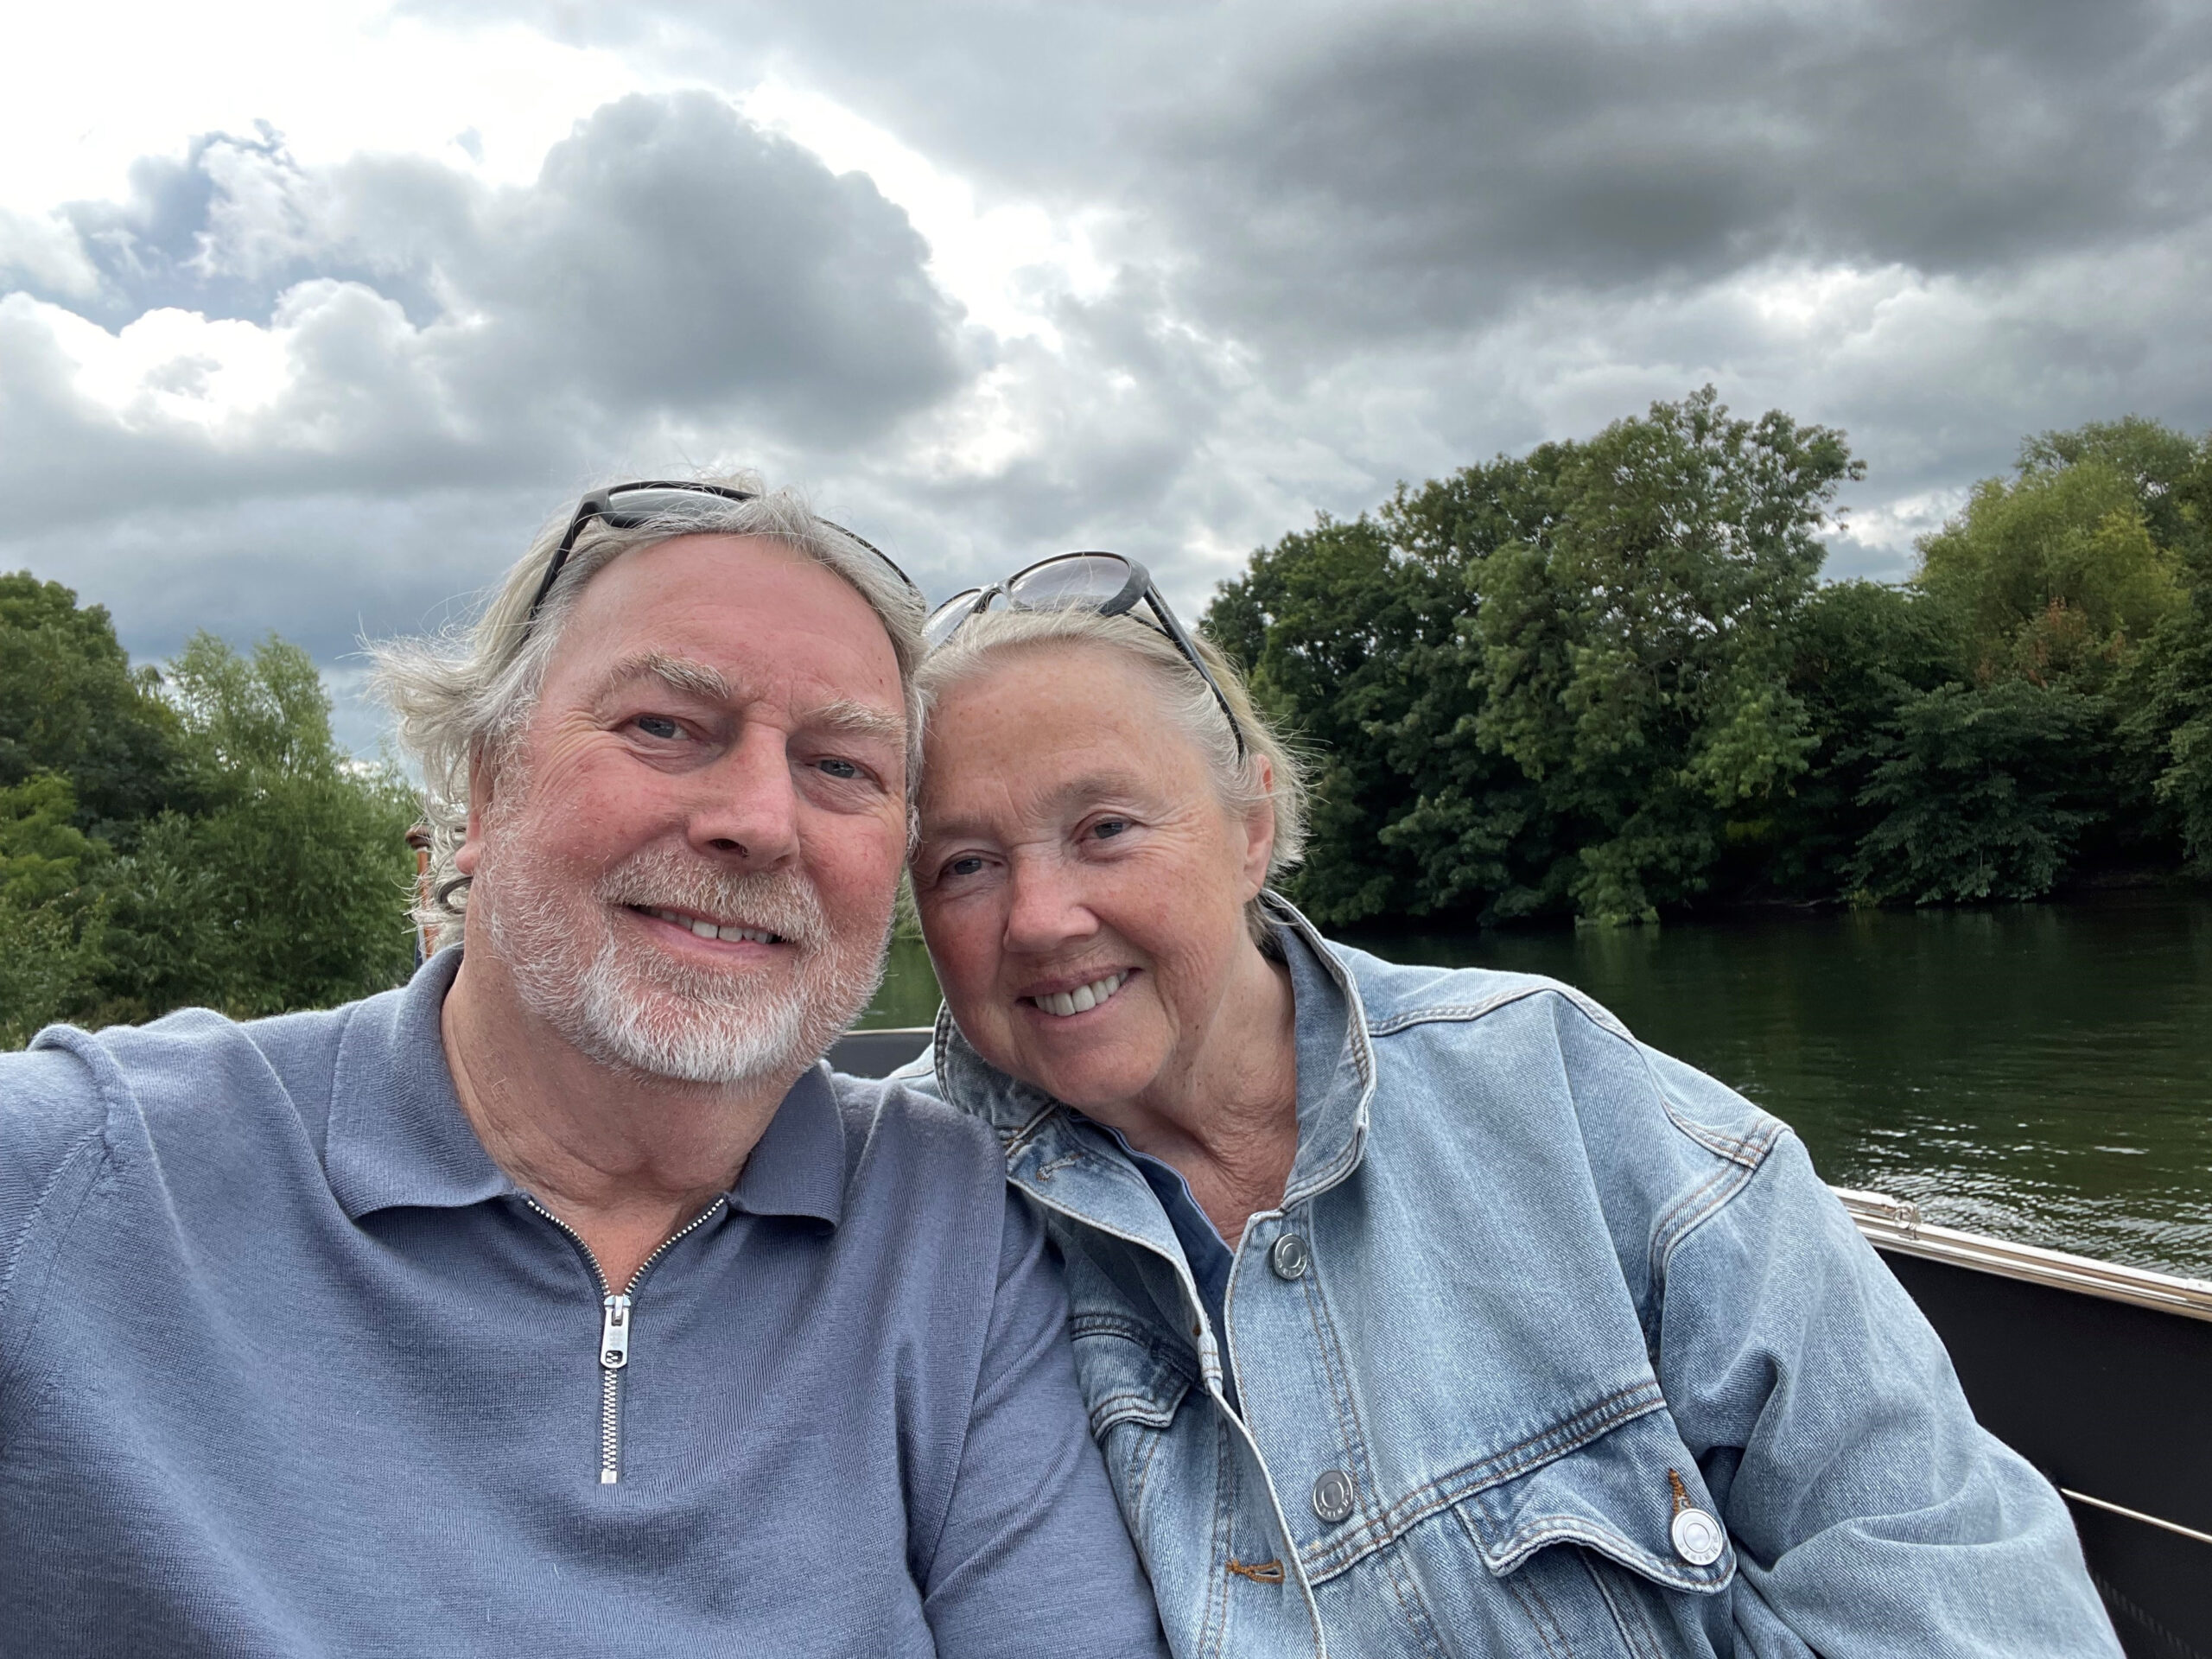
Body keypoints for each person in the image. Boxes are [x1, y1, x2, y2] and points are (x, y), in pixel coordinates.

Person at [0, 484, 1167, 1657]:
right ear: (486, 788)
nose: (761, 821)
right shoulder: (89, 1174)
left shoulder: (953, 1230)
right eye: (664, 726)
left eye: (841, 767)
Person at [899, 553, 2121, 1658]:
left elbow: (1952, 1572)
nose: (1040, 919)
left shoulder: (1557, 1090)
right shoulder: (892, 1218)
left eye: (1105, 828)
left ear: (1252, 825)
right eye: (965, 863)